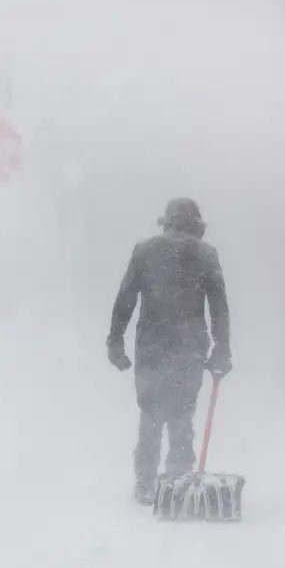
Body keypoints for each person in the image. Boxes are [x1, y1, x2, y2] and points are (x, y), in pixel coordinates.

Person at [106, 197, 231, 504]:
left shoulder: (144, 251)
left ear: (167, 221)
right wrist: (222, 350)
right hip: (189, 348)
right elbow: (219, 310)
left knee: (150, 414)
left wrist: (115, 341)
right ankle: (178, 480)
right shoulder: (206, 255)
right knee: (181, 414)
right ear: (195, 224)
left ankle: (146, 483)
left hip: (152, 347)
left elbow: (125, 299)